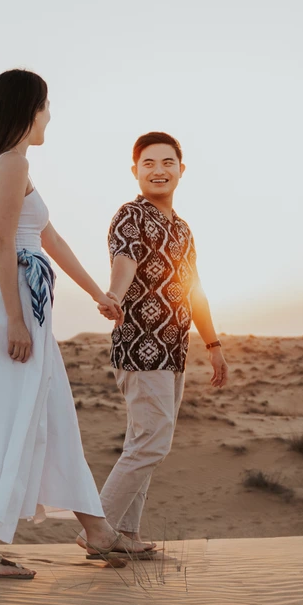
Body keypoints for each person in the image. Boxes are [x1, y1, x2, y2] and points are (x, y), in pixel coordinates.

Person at [0, 68, 135, 578]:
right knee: (8, 418)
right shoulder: (10, 164)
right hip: (12, 304)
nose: (49, 114)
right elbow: (3, 244)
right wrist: (15, 320)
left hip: (22, 300)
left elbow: (50, 240)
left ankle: (95, 530)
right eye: (45, 104)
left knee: (49, 414)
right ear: (27, 108)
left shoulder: (12, 166)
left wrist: (98, 291)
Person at [96, 131, 228, 555]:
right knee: (154, 440)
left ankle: (127, 535)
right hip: (140, 346)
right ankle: (98, 531)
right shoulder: (130, 216)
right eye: (148, 163)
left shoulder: (183, 229)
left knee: (144, 443)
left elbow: (194, 290)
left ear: (181, 170)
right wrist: (114, 294)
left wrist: (212, 344)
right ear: (135, 170)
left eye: (167, 162)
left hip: (173, 351)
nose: (158, 170)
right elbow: (125, 261)